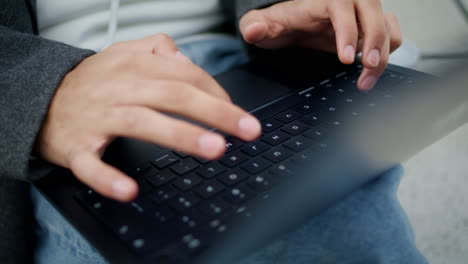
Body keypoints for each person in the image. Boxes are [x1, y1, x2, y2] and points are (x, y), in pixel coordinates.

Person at [0, 0, 428, 263]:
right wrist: (36, 90)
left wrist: (290, 6)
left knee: (344, 215)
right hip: (70, 78)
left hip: (243, 56)